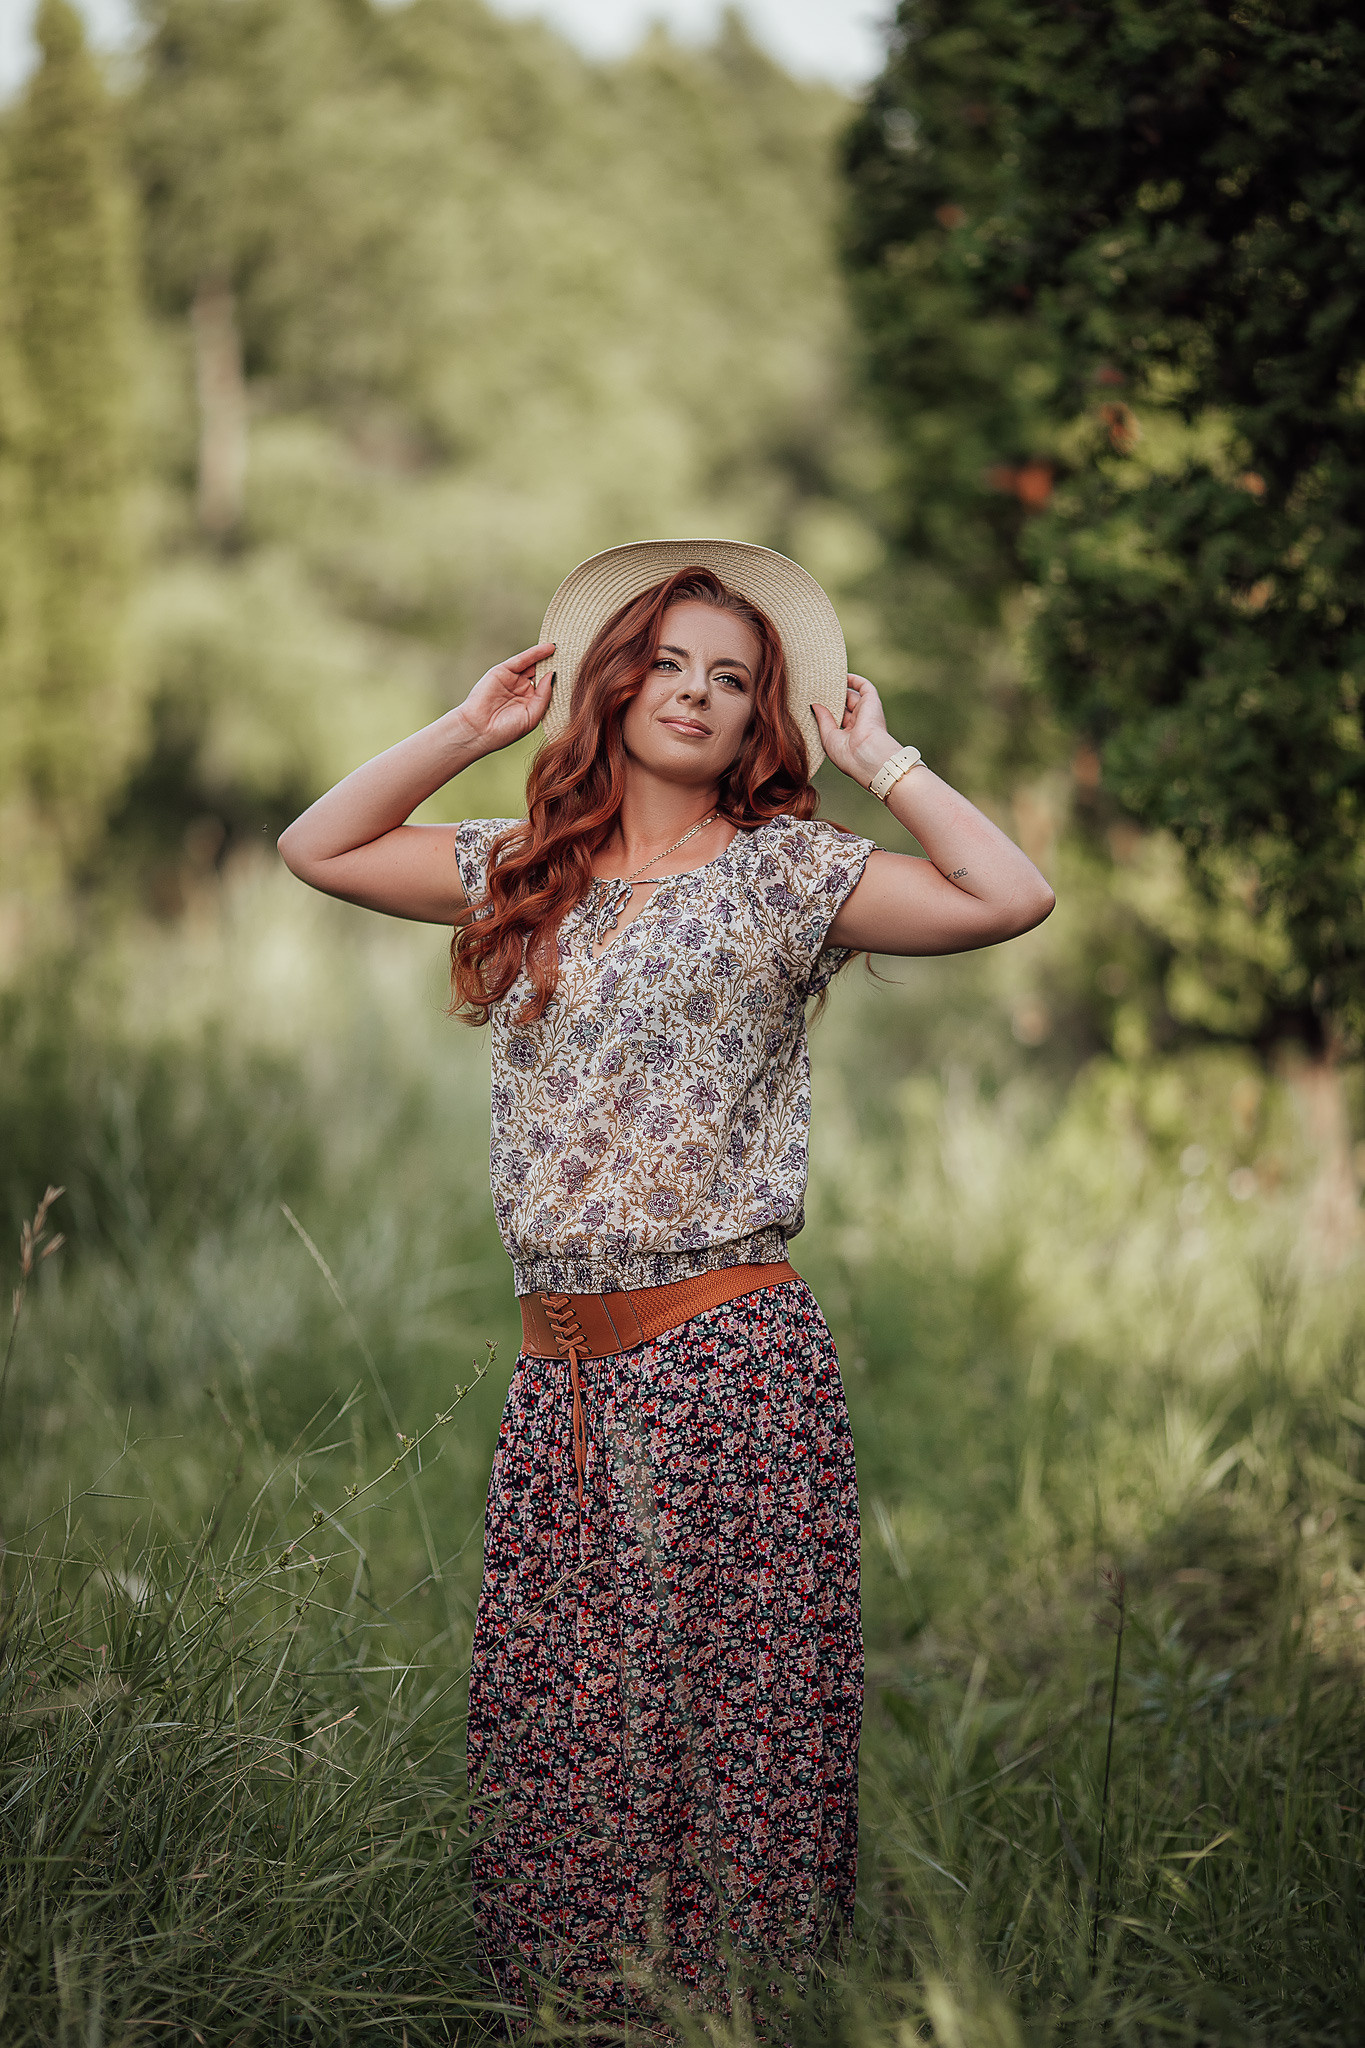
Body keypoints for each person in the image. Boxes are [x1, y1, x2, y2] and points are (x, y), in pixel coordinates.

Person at [277, 540, 1054, 2027]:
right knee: (569, 1715)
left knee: (732, 1720)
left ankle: (746, 2012)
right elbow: (318, 846)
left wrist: (883, 760)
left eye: (732, 677)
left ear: (765, 712)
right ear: (616, 685)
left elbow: (1009, 895)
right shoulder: (525, 866)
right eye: (668, 663)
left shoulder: (783, 874)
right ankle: (582, 2011)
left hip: (724, 1353)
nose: (694, 693)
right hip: (561, 1372)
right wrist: (467, 729)